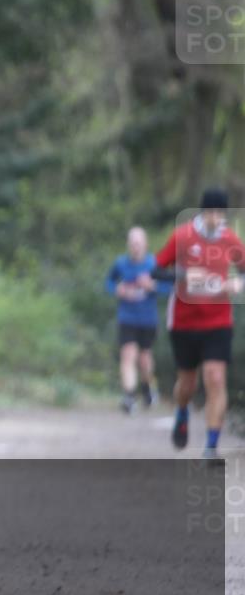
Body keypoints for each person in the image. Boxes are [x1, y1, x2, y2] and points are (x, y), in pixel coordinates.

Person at [147, 188, 244, 459]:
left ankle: (211, 447)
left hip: (218, 321)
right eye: (211, 212)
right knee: (187, 384)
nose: (216, 219)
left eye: (221, 214)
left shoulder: (230, 240)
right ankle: (182, 411)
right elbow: (156, 270)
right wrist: (187, 275)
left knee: (215, 377)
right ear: (202, 212)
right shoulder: (183, 236)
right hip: (184, 322)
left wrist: (239, 282)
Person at [105, 227, 170, 413]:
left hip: (148, 319)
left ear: (145, 244)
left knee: (144, 359)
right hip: (127, 317)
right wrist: (118, 289)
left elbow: (169, 286)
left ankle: (147, 388)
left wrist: (152, 286)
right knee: (128, 354)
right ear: (128, 245)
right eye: (132, 243)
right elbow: (109, 282)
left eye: (138, 243)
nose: (135, 247)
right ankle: (129, 396)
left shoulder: (154, 264)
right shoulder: (120, 264)